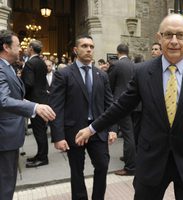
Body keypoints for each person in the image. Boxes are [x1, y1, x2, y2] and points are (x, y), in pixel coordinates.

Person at [75, 14, 183, 200]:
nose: (174, 41)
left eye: (180, 35)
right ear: (159, 37)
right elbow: (121, 106)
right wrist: (92, 128)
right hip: (151, 161)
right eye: (168, 35)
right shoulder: (142, 72)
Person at [49, 35, 117, 200]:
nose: (88, 50)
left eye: (91, 47)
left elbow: (110, 105)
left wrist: (112, 129)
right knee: (77, 170)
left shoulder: (101, 75)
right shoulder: (63, 74)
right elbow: (56, 107)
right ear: (75, 50)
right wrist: (58, 136)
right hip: (74, 131)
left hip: (98, 131)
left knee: (102, 165)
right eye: (84, 46)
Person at [0, 30, 55, 200]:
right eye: (17, 46)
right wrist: (33, 106)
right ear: (6, 47)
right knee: (6, 183)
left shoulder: (9, 67)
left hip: (9, 133)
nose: (21, 50)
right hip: (5, 135)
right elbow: (3, 100)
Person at [108, 43, 136, 176]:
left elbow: (109, 84)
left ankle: (130, 167)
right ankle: (128, 158)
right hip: (135, 104)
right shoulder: (134, 65)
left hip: (121, 103)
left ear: (118, 52)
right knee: (131, 134)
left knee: (128, 135)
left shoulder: (116, 65)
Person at [21, 40, 50, 168]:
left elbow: (29, 83)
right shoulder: (42, 62)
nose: (26, 49)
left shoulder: (30, 63)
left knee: (39, 131)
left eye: (27, 47)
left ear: (31, 48)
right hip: (42, 99)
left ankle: (43, 158)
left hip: (35, 101)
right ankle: (40, 155)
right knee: (41, 130)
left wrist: (21, 95)